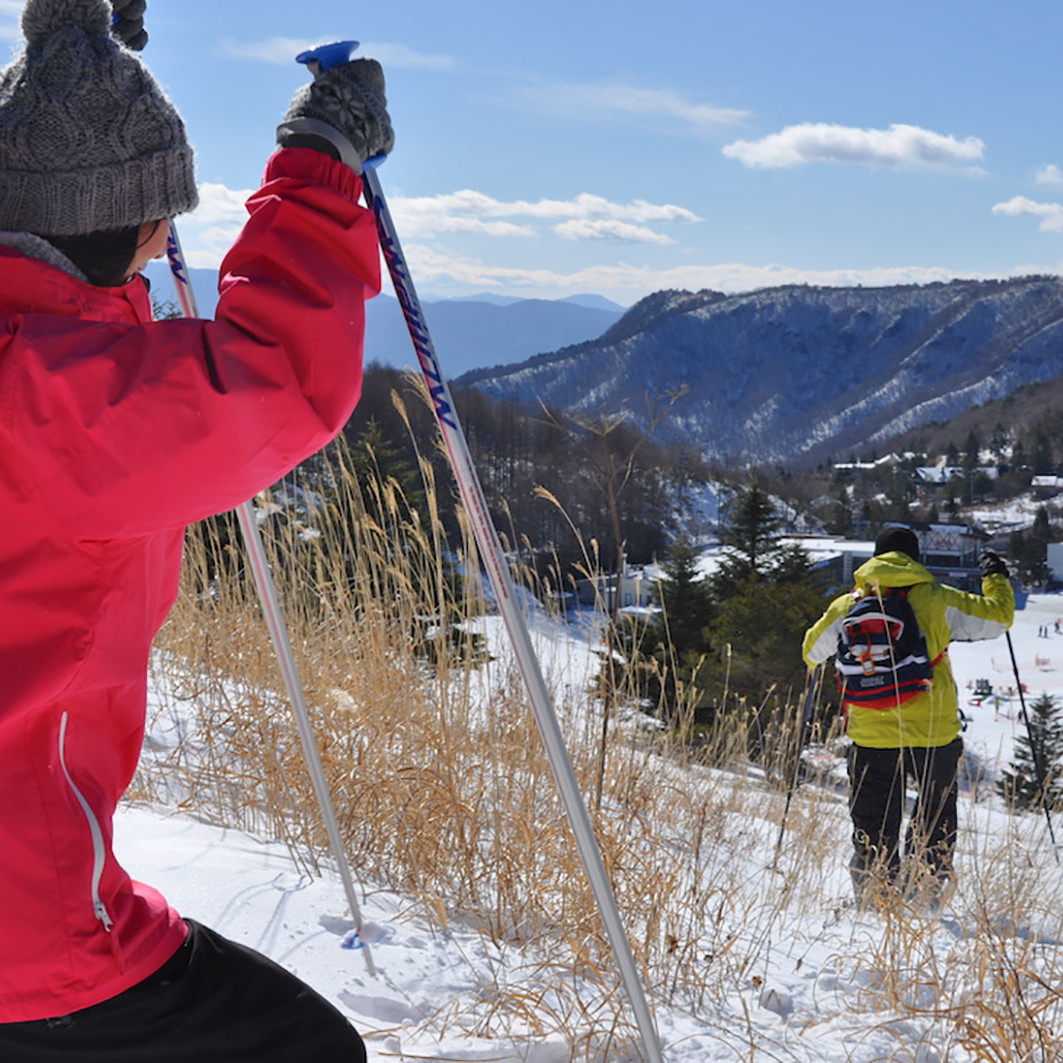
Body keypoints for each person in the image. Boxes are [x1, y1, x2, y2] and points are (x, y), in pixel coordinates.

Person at [0, 0, 393, 1059]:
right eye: (162, 218)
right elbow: (281, 375)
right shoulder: (56, 406)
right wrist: (319, 161)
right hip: (22, 934)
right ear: (123, 226)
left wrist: (64, 30)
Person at [802, 526, 1014, 906]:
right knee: (935, 814)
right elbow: (998, 619)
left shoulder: (849, 603)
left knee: (873, 819)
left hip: (870, 733)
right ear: (915, 558)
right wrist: (996, 578)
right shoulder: (937, 599)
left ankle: (874, 896)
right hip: (933, 731)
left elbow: (811, 652)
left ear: (875, 557)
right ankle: (927, 895)